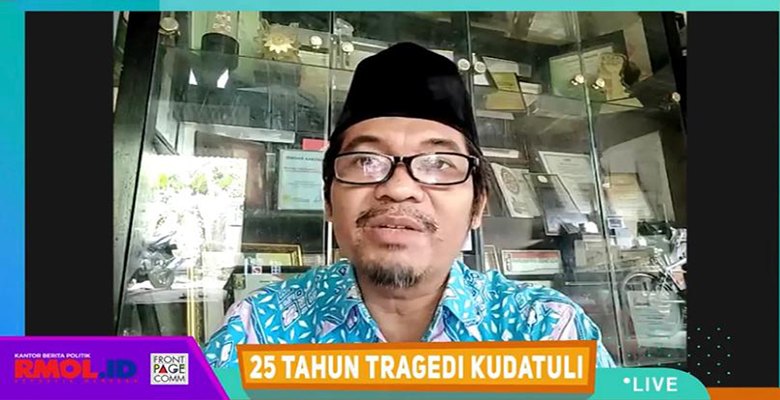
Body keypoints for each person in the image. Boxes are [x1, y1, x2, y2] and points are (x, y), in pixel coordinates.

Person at [203, 42, 616, 368]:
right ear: (328, 200)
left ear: (477, 206)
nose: (399, 188)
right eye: (366, 161)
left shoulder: (548, 330)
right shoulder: (259, 328)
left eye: (439, 164)